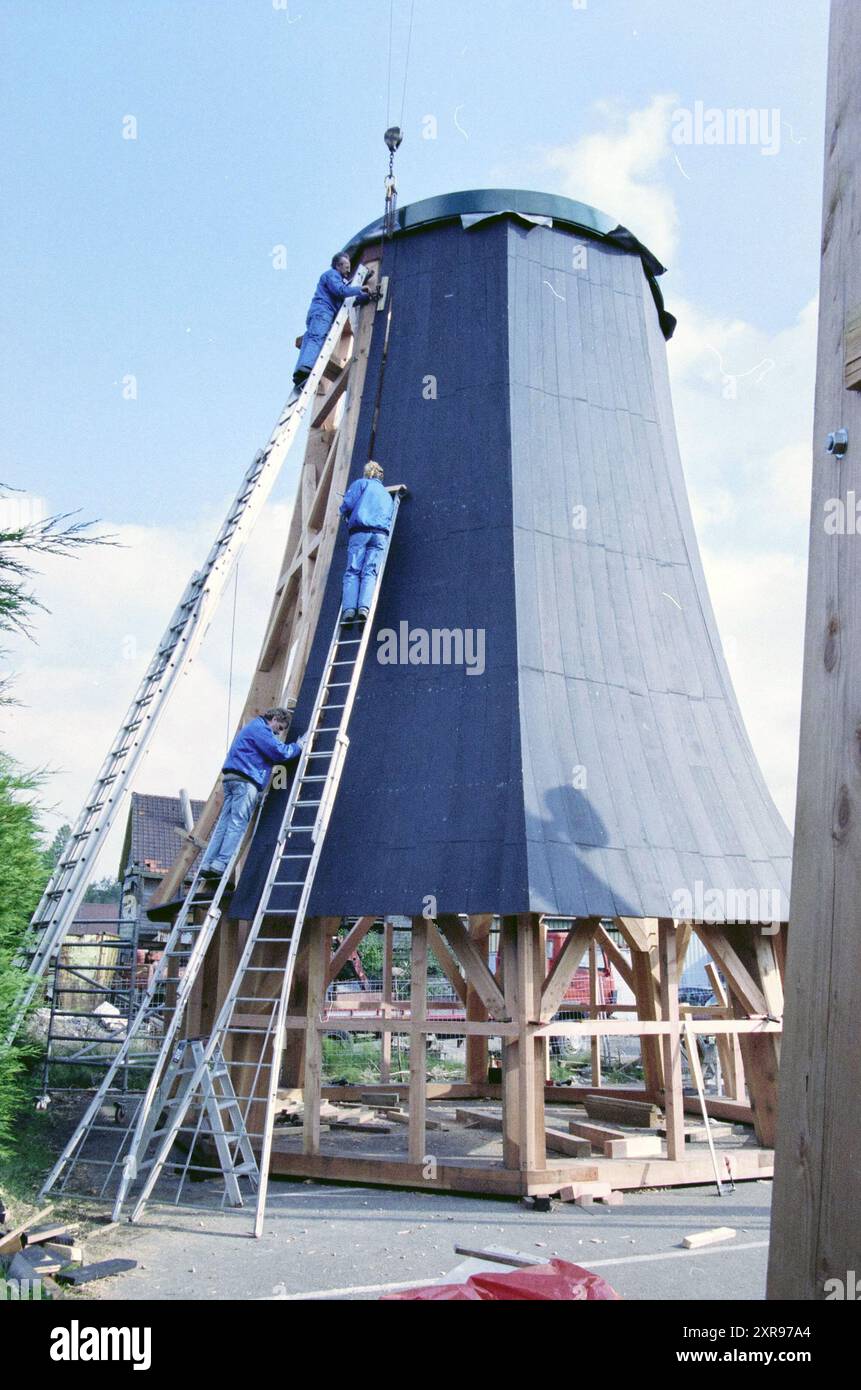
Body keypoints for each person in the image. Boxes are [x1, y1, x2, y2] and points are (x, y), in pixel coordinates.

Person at [198, 708, 306, 880]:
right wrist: (298, 746)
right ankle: (220, 863)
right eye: (279, 727)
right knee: (237, 822)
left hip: (231, 779)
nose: (278, 733)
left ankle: (207, 862)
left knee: (224, 824)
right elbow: (279, 752)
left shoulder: (252, 727)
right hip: (246, 780)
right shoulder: (261, 730)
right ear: (275, 718)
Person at [290, 254, 378, 398]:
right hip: (322, 312)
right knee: (317, 338)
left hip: (321, 313)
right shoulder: (331, 275)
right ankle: (305, 369)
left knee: (311, 339)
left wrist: (365, 297)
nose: (348, 271)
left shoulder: (338, 282)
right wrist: (359, 289)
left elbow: (346, 302)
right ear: (338, 265)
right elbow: (341, 291)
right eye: (346, 267)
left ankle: (300, 374)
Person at [339, 460, 394, 623]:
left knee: (353, 571)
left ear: (367, 472)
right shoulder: (386, 495)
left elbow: (347, 504)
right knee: (370, 571)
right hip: (380, 535)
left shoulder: (361, 484)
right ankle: (364, 607)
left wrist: (344, 513)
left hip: (360, 532)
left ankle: (349, 610)